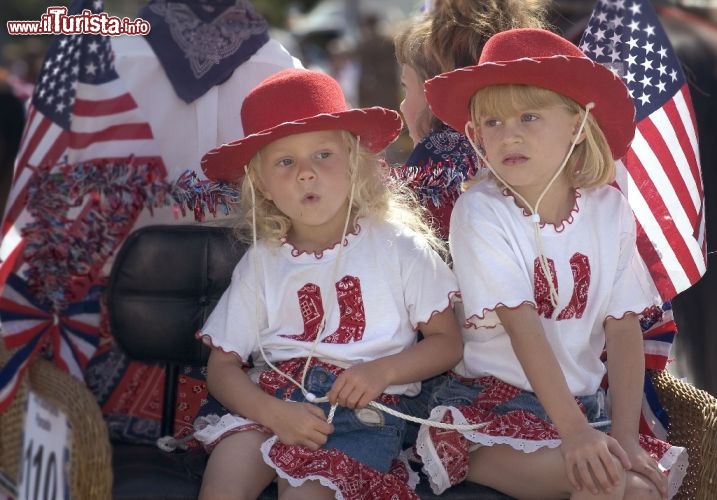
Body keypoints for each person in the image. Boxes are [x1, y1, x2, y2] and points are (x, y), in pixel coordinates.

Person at [414, 28, 688, 499]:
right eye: (493, 123)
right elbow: (524, 328)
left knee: (640, 486)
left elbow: (623, 329)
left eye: (529, 116)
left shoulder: (609, 208)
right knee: (616, 487)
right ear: (475, 135)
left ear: (578, 127)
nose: (509, 134)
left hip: (584, 409)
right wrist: (576, 435)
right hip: (494, 414)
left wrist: (622, 434)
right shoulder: (481, 210)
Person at [193, 68, 463, 499]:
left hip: (360, 412)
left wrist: (384, 370)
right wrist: (273, 413)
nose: (305, 173)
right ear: (261, 184)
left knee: (305, 494)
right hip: (271, 400)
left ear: (355, 163)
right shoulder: (263, 261)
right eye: (285, 162)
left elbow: (448, 341)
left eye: (322, 155)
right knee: (223, 486)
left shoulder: (398, 246)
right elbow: (222, 368)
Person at [392, 0, 549, 240]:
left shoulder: (435, 164)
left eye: (406, 88)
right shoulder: (546, 144)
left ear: (434, 96)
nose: (402, 105)